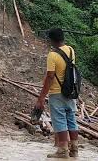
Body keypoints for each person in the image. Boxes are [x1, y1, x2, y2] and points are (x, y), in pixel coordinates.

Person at [35, 28, 78, 158]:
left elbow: (50, 76)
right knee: (71, 118)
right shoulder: (71, 50)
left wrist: (41, 97)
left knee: (59, 120)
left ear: (52, 40)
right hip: (70, 92)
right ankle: (74, 148)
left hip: (56, 92)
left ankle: (63, 149)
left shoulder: (52, 55)